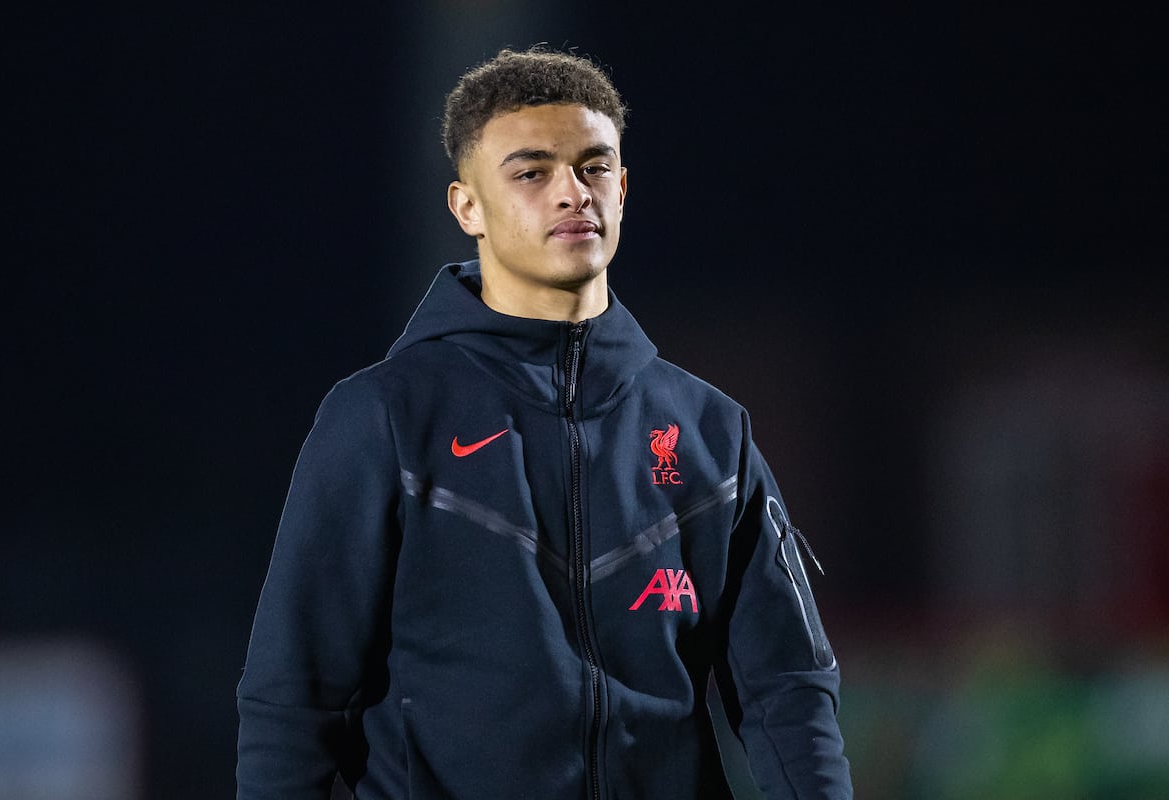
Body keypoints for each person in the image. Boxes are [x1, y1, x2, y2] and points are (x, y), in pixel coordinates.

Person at [236, 44, 853, 799]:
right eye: (530, 173)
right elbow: (293, 699)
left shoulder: (709, 431)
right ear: (467, 206)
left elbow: (787, 689)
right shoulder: (385, 418)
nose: (572, 193)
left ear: (623, 188)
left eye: (593, 167)